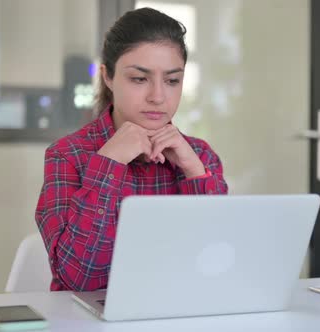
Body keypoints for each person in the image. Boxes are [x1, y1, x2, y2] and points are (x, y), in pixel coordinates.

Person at [35, 7, 228, 291]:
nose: (158, 97)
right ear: (108, 77)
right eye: (139, 79)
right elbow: (79, 278)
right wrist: (108, 164)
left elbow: (220, 266)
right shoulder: (67, 155)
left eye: (172, 80)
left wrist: (194, 173)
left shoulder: (199, 156)